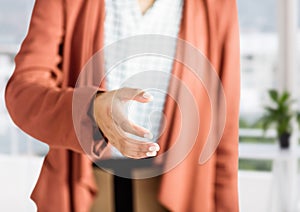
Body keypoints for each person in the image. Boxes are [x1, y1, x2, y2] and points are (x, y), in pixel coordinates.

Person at [5, 0, 240, 211]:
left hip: (176, 191)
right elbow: (23, 93)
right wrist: (89, 109)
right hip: (82, 187)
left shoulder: (217, 6)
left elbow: (223, 134)